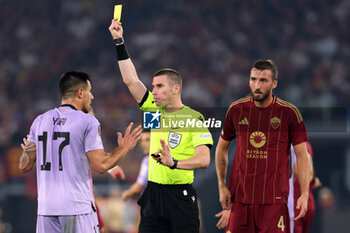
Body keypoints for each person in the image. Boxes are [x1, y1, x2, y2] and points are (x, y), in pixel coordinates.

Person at [108, 19, 214, 233]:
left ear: (176, 89)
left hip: (180, 197)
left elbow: (204, 160)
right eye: (153, 86)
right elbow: (131, 80)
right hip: (153, 197)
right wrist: (119, 41)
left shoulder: (193, 118)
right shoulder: (153, 111)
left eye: (159, 86)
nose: (153, 90)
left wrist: (173, 162)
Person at [18, 71, 143, 233]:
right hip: (75, 208)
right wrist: (124, 148)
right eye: (90, 91)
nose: (92, 97)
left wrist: (29, 151)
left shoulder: (40, 121)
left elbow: (24, 166)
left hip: (46, 210)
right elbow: (101, 165)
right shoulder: (87, 121)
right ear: (80, 93)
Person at [215, 60, 311, 233]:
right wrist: (221, 185)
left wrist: (304, 193)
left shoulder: (289, 113)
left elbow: (302, 156)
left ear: (274, 83)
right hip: (240, 201)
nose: (257, 85)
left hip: (273, 203)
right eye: (253, 79)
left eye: (263, 81)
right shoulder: (236, 110)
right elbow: (221, 148)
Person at [289, 142, 321, 233]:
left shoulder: (291, 145)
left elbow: (296, 172)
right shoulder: (307, 145)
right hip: (309, 202)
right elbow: (312, 177)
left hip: (297, 202)